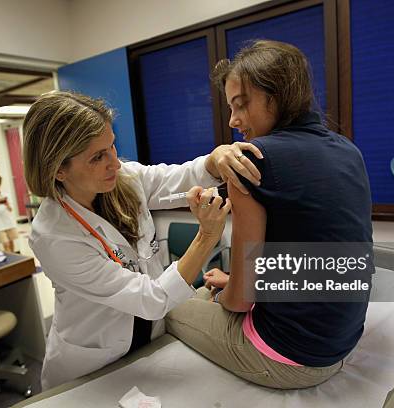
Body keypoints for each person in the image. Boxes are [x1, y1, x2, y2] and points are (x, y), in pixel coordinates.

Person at [166, 40, 373, 389]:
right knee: (215, 289)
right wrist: (234, 282)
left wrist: (228, 291)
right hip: (340, 344)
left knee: (171, 305)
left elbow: (241, 300)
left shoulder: (252, 158)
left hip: (290, 360)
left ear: (275, 96)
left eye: (240, 105)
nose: (233, 121)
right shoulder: (348, 150)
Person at [22, 91, 263, 390]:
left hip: (148, 342)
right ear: (58, 169)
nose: (116, 164)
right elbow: (152, 299)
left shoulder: (123, 181)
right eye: (98, 157)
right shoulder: (53, 236)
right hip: (93, 366)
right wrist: (206, 237)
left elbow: (180, 176)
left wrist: (216, 160)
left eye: (111, 146)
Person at [0, 178, 19, 253]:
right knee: (6, 243)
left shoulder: (6, 195)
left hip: (9, 221)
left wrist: (7, 204)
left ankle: (14, 256)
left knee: (11, 241)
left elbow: (11, 209)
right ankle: (11, 257)